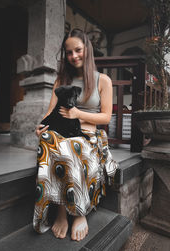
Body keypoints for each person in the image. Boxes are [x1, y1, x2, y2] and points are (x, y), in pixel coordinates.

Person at [34, 28, 117, 241]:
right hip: (62, 134)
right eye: (69, 53)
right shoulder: (61, 80)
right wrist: (40, 127)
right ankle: (62, 211)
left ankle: (79, 211)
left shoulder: (103, 80)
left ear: (87, 49)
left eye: (78, 50)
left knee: (68, 147)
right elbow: (50, 113)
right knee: (48, 140)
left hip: (89, 137)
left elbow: (106, 117)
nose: (74, 56)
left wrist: (77, 114)